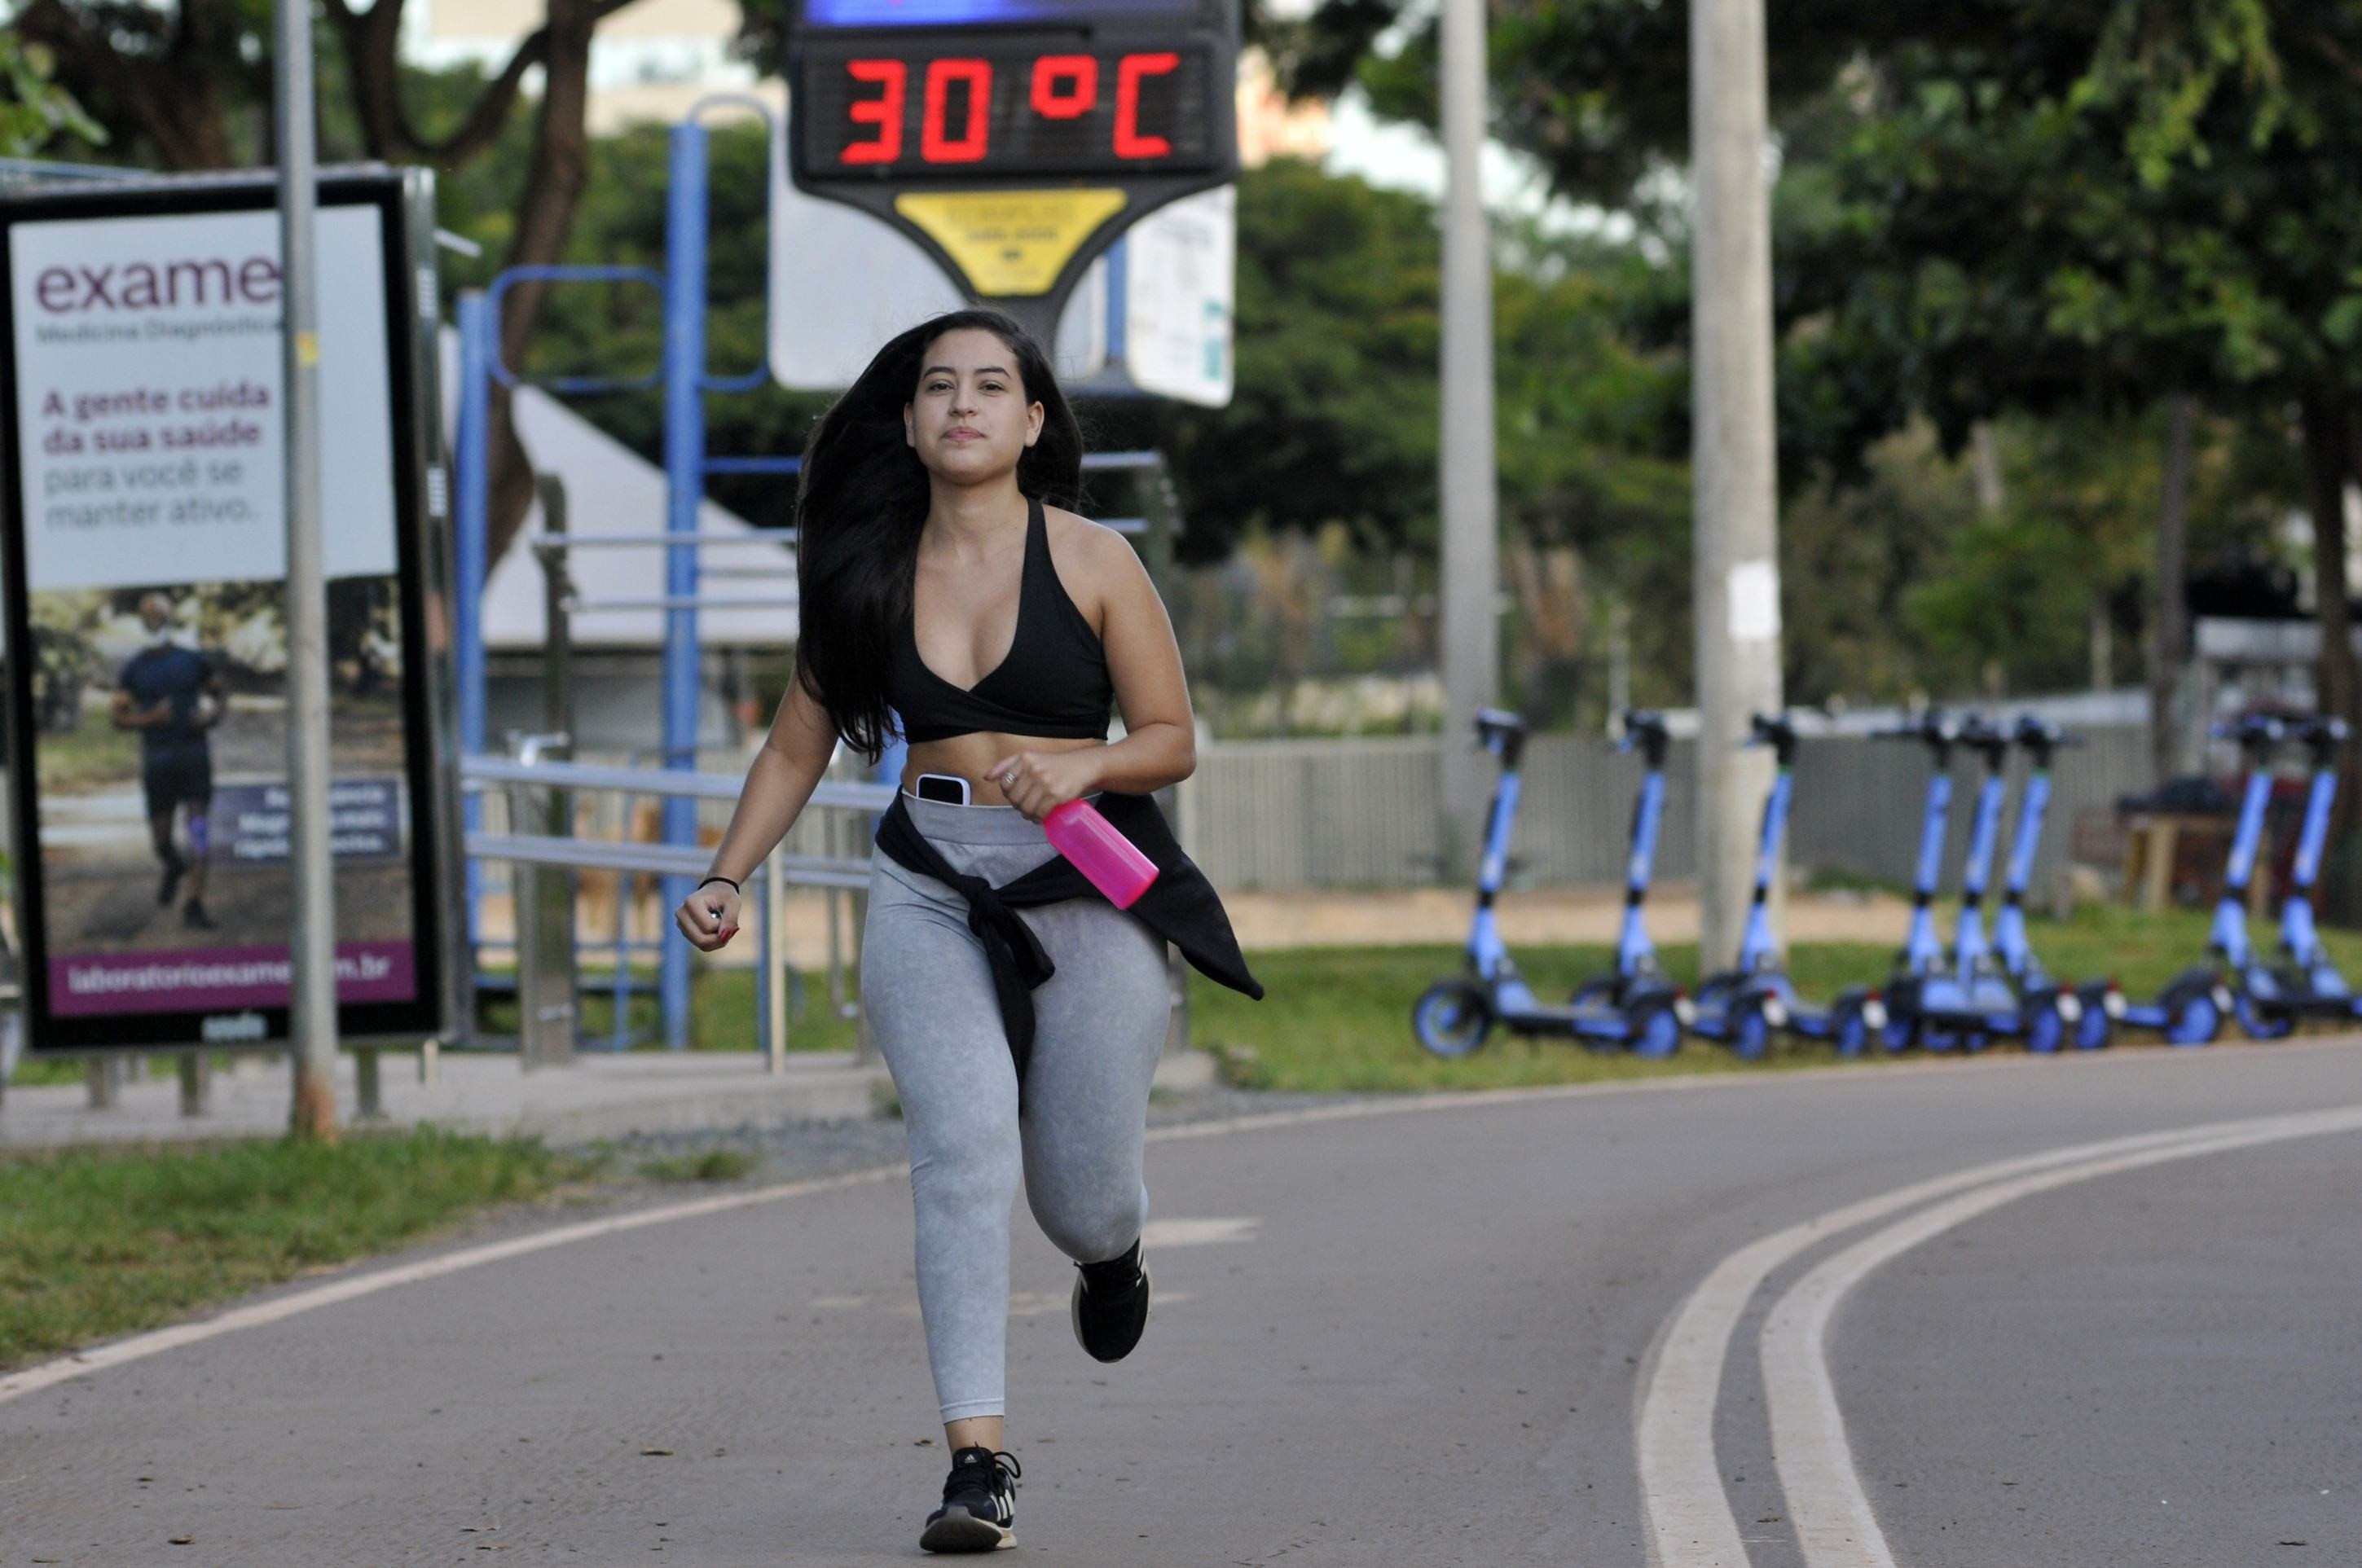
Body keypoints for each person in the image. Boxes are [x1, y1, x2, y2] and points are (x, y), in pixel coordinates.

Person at [676, 310, 1260, 1553]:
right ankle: (978, 1462)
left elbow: (1172, 738)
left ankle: (1113, 1255)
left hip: (1086, 879)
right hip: (929, 879)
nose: (962, 404)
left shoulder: (1095, 559)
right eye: (938, 386)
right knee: (960, 1150)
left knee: (1081, 1193)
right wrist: (724, 874)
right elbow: (798, 742)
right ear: (906, 420)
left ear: (1032, 420)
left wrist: (1088, 770)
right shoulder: (866, 569)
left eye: (991, 387)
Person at [112, 591, 226, 931]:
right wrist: (150, 719)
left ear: (170, 617)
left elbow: (219, 695)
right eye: (148, 614)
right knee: (160, 841)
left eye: (160, 613)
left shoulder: (193, 660)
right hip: (158, 762)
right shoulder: (134, 668)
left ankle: (195, 903)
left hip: (194, 759)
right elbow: (118, 719)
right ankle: (173, 865)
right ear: (141, 621)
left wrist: (210, 717)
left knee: (199, 832)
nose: (155, 619)